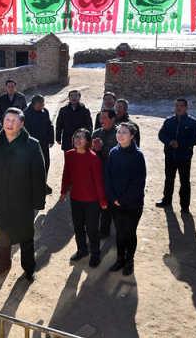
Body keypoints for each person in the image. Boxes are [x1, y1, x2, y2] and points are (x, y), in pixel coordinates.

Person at [0, 108, 46, 281]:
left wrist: (38, 201)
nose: (9, 123)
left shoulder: (32, 144)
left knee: (25, 234)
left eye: (14, 120)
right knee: (1, 231)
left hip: (23, 198)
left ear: (22, 124)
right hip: (1, 197)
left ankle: (29, 267)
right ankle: (3, 264)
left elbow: (39, 175)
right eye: (7, 119)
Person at [61, 129, 107, 268]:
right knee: (78, 227)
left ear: (88, 141)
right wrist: (63, 191)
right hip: (75, 198)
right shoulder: (69, 155)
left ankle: (95, 254)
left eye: (81, 137)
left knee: (92, 229)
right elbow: (66, 173)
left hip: (92, 201)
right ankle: (82, 250)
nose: (78, 139)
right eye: (76, 137)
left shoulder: (93, 158)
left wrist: (102, 200)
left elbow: (98, 181)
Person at [105, 123, 146, 276]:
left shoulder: (138, 156)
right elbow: (108, 176)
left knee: (129, 233)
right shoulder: (113, 152)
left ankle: (129, 261)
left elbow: (138, 182)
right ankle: (120, 259)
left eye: (124, 132)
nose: (120, 135)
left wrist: (122, 199)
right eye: (119, 132)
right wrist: (113, 197)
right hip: (115, 202)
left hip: (132, 204)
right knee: (120, 232)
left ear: (132, 136)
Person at [156, 98, 196, 214]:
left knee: (184, 181)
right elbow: (161, 135)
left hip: (184, 156)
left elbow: (195, 139)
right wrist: (170, 142)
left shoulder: (193, 122)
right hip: (170, 155)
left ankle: (185, 206)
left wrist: (180, 144)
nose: (179, 108)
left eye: (181, 106)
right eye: (177, 106)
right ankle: (166, 200)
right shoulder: (169, 121)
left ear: (186, 107)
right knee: (169, 179)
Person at [92, 109, 118, 238]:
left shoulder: (119, 134)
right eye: (100, 118)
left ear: (113, 119)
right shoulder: (96, 133)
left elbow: (118, 154)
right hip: (96, 174)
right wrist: (93, 149)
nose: (101, 121)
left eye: (104, 118)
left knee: (108, 204)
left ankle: (104, 230)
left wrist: (102, 149)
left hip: (112, 175)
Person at [24, 94, 55, 194]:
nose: (43, 105)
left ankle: (43, 184)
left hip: (43, 144)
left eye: (43, 103)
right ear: (34, 104)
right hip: (31, 146)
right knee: (33, 167)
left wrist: (51, 139)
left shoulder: (44, 111)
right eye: (40, 104)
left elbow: (49, 125)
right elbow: (23, 131)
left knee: (45, 164)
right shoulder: (25, 114)